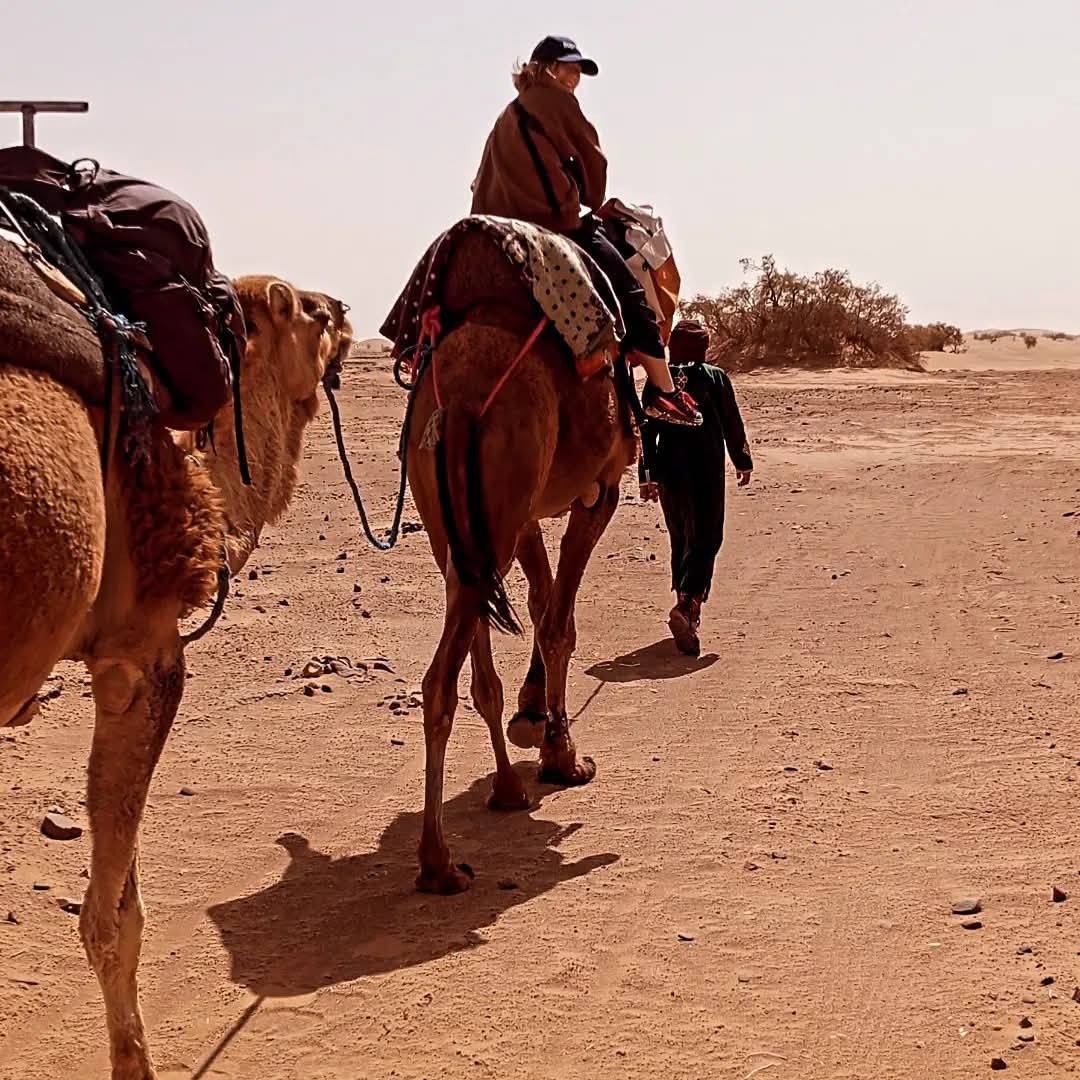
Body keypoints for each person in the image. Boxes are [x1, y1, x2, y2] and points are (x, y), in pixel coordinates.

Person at [470, 34, 701, 427]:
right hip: (556, 225)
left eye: (577, 71)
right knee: (632, 295)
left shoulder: (506, 117)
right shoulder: (558, 102)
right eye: (568, 69)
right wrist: (586, 192)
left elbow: (481, 183)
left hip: (495, 231)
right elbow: (595, 174)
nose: (574, 78)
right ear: (545, 69)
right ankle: (663, 390)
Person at [639, 320, 753, 655]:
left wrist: (648, 475)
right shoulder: (714, 377)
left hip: (669, 471)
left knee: (682, 536)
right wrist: (742, 460)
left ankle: (685, 607)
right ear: (703, 347)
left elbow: (646, 430)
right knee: (707, 536)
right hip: (705, 470)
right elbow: (731, 421)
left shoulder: (659, 379)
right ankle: (688, 606)